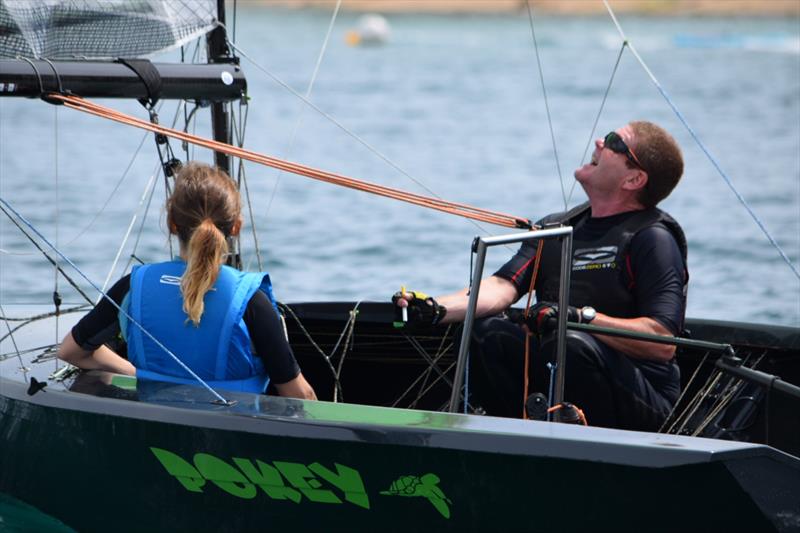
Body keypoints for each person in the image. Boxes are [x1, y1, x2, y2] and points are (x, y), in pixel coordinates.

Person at [395, 121, 687, 431]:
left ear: (634, 178)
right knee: (486, 331)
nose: (600, 141)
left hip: (643, 399)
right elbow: (502, 287)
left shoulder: (652, 239)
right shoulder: (556, 228)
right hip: (562, 371)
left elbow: (662, 342)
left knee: (571, 342)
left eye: (615, 141)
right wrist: (433, 308)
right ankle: (506, 436)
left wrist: (577, 317)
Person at [58, 162, 316, 400]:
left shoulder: (132, 287)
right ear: (236, 227)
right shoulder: (252, 302)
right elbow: (298, 396)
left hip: (155, 432)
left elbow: (71, 351)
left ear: (172, 224)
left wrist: (132, 370)